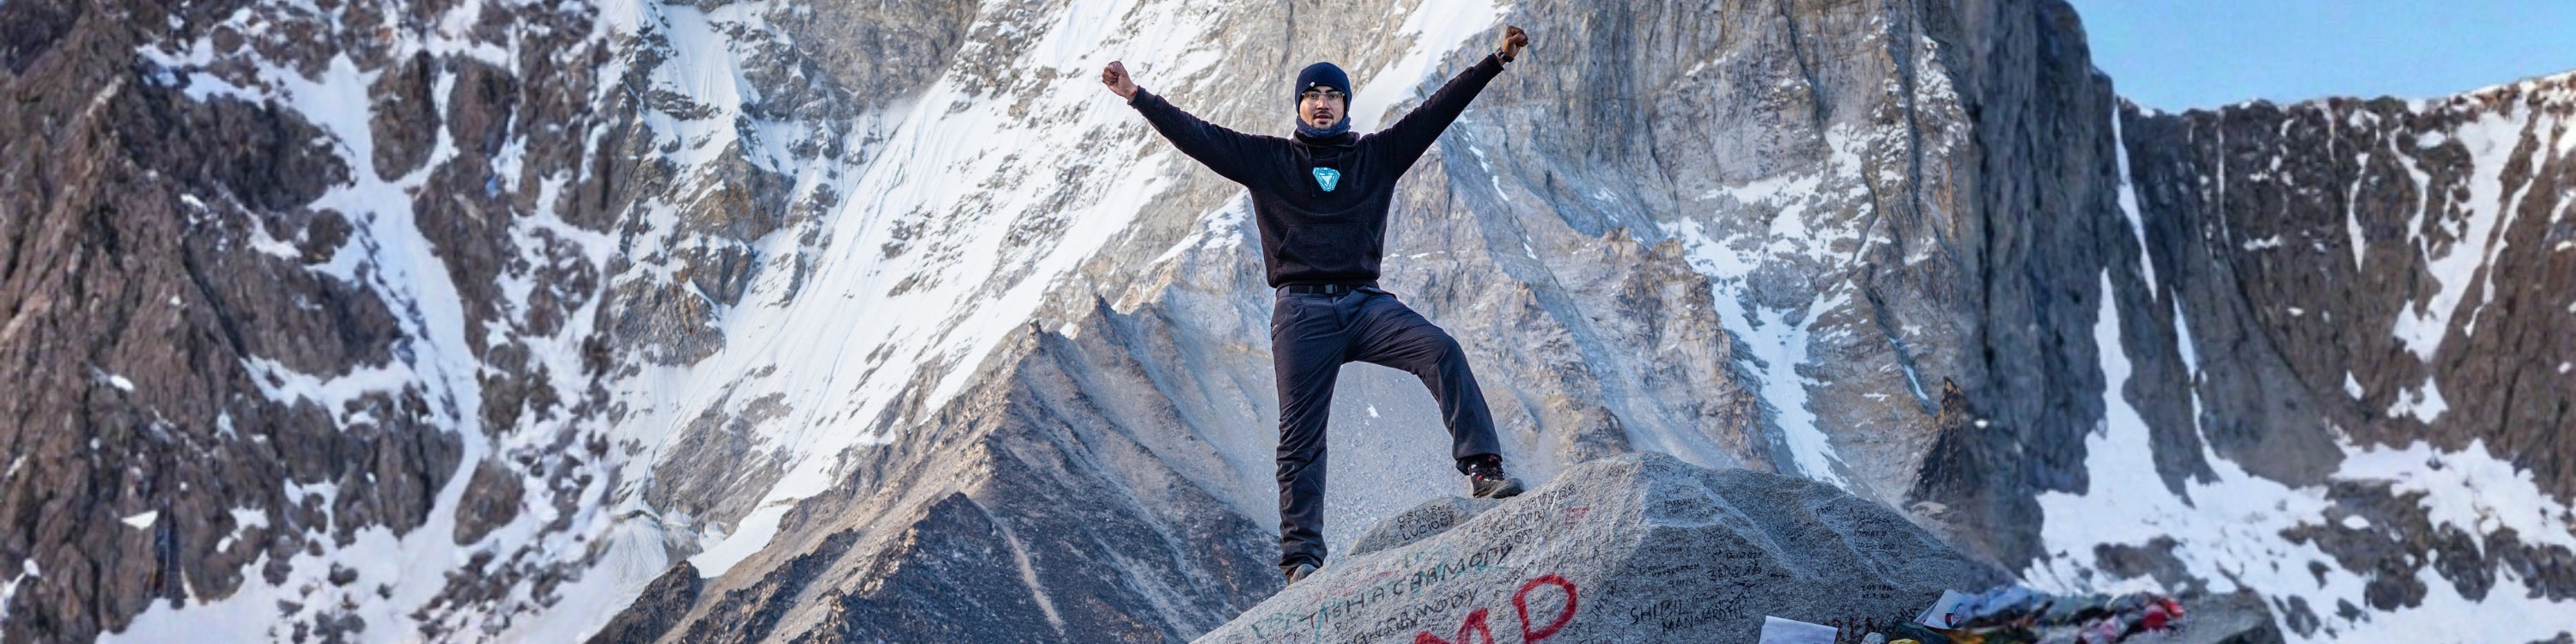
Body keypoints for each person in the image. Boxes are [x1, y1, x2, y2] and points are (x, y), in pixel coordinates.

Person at [1100, 25, 1534, 586]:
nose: (1322, 104)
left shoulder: (1377, 156)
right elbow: (1199, 137)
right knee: (1300, 436)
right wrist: (1137, 95)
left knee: (1441, 349)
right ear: (1299, 106)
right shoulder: (1267, 161)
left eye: (1332, 96)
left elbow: (1436, 112)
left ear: (1345, 107)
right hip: (1302, 312)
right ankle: (1302, 560)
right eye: (1312, 95)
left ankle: (1483, 471)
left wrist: (1497, 60)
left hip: (1366, 305)